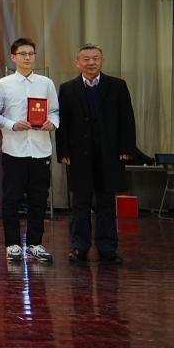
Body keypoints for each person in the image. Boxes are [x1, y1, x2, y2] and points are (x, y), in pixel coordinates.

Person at [56, 43, 135, 263]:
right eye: (86, 59)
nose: (91, 63)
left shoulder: (117, 85)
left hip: (110, 154)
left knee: (106, 203)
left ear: (102, 60)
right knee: (80, 203)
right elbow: (62, 123)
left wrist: (127, 148)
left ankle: (107, 248)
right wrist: (62, 150)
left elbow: (127, 118)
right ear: (77, 62)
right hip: (78, 155)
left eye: (96, 58)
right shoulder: (67, 88)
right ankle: (79, 247)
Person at [0, 37, 59, 261]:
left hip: (40, 149)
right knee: (12, 198)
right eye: (22, 54)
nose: (27, 58)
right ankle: (12, 245)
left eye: (31, 54)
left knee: (39, 199)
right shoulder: (3, 84)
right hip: (14, 150)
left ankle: (35, 243)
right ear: (13, 57)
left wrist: (52, 123)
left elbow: (55, 111)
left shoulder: (46, 83)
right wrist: (12, 124)